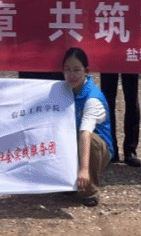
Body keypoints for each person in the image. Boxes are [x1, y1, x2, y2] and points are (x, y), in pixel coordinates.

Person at [89, 0, 141, 167]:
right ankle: (110, 148)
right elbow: (91, 6)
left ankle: (131, 149)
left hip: (130, 44)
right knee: (108, 97)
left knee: (132, 98)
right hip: (108, 44)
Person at [61, 47, 114, 207]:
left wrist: (84, 169)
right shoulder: (63, 90)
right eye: (67, 70)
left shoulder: (92, 98)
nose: (72, 75)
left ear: (86, 71)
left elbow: (85, 134)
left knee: (90, 140)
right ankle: (67, 181)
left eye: (77, 70)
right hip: (74, 142)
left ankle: (90, 191)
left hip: (96, 149)